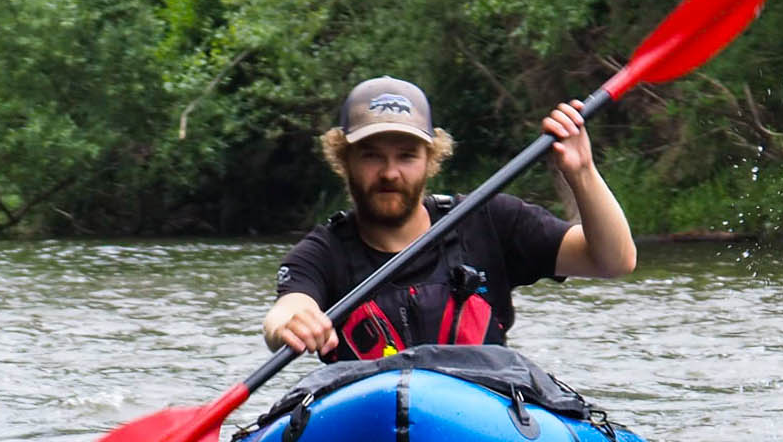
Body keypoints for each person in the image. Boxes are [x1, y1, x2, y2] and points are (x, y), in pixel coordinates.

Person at [262, 76, 637, 361]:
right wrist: (294, 324)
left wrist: (582, 171)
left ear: (431, 160)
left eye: (406, 156)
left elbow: (614, 260)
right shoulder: (322, 252)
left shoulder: (488, 219)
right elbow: (288, 309)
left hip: (483, 423)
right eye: (372, 156)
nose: (390, 173)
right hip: (368, 431)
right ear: (344, 161)